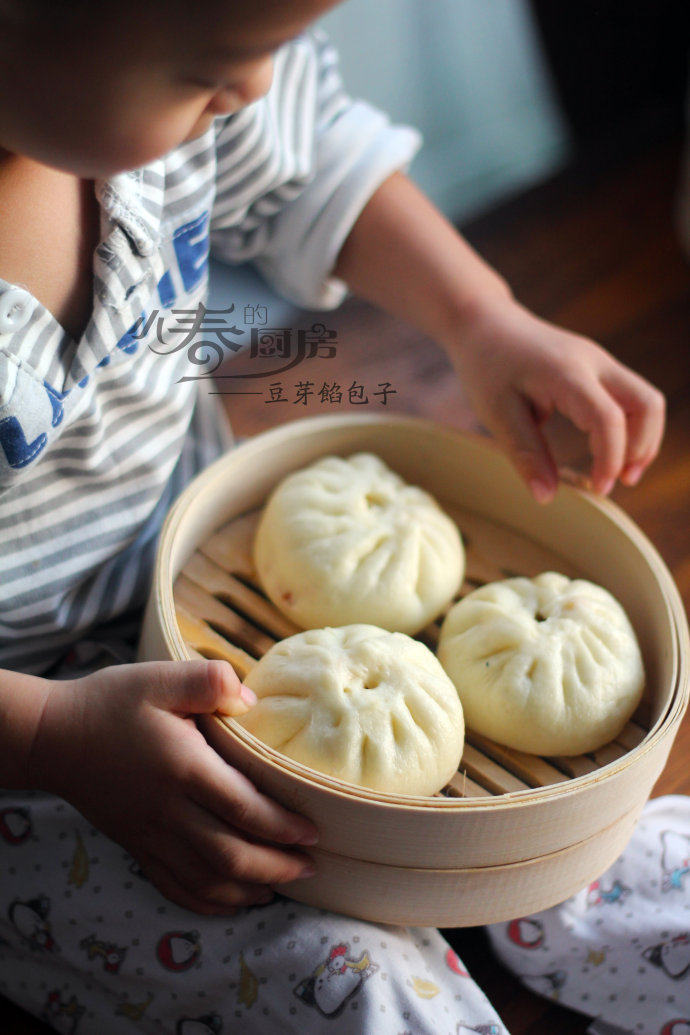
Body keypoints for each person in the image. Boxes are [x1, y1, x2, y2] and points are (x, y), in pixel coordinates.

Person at [0, 0, 665, 1031]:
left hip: (196, 576)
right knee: (349, 983)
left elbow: (314, 161)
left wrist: (481, 318)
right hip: (41, 760)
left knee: (573, 860)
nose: (258, 87)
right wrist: (49, 736)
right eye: (214, 65)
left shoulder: (154, 89)